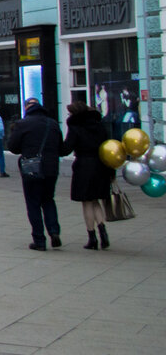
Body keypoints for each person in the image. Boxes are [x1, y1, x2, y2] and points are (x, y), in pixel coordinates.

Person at [7, 97, 63, 251]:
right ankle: (54, 231)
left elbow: (13, 147)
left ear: (26, 108)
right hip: (52, 168)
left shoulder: (22, 124)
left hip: (32, 168)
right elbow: (61, 147)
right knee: (48, 200)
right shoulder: (52, 124)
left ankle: (39, 239)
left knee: (33, 203)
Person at [62, 101, 114, 250]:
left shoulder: (76, 127)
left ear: (75, 114)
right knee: (96, 200)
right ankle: (103, 234)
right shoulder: (99, 125)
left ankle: (92, 238)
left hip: (84, 167)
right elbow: (108, 147)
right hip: (101, 165)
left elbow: (66, 148)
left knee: (87, 203)